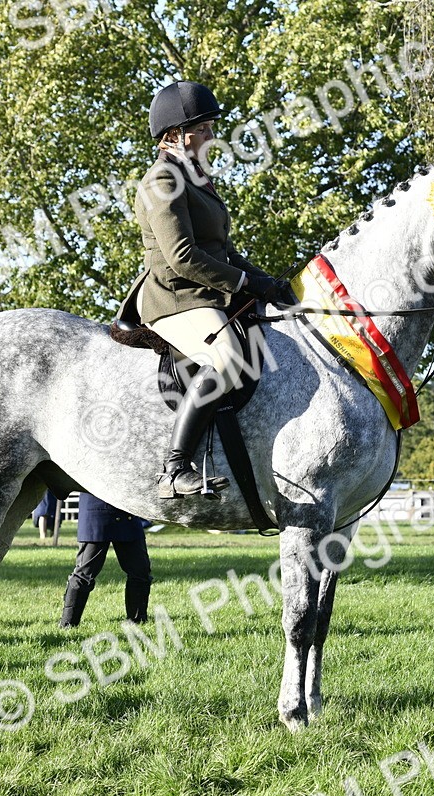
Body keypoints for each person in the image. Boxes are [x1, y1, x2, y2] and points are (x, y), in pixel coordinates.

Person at [123, 80, 290, 500]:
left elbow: (224, 251)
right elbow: (182, 257)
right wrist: (244, 283)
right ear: (176, 134)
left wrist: (267, 282)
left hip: (206, 293)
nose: (214, 136)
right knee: (230, 358)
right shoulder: (162, 179)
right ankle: (174, 469)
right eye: (206, 128)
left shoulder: (195, 178)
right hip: (175, 296)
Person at [59, 493, 152, 628]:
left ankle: (138, 621)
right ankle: (68, 624)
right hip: (96, 510)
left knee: (140, 570)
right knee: (84, 574)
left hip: (127, 510)